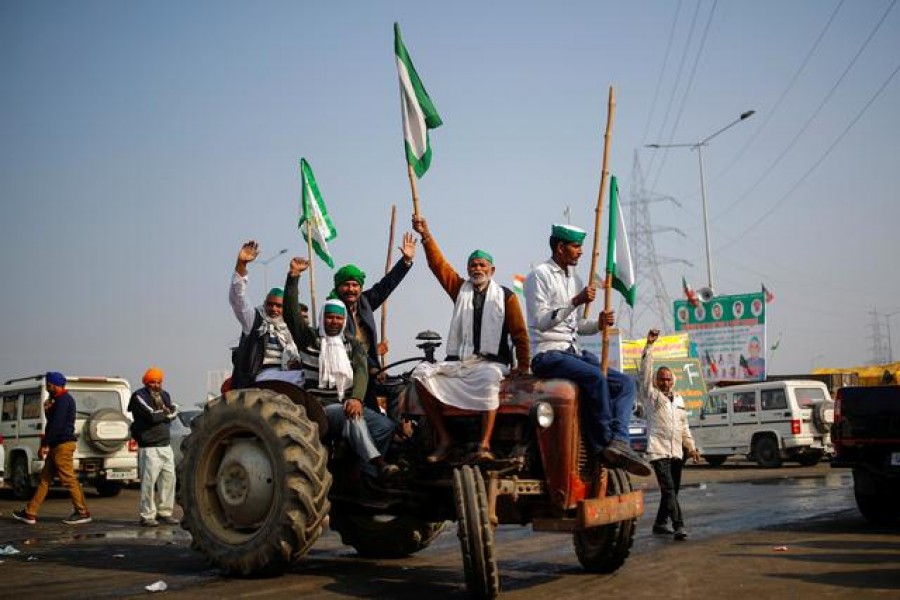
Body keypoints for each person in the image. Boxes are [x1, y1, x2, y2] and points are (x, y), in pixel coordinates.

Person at [523, 223, 651, 477]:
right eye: (576, 246)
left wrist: (598, 324)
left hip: (572, 352)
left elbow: (578, 326)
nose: (581, 252)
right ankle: (602, 445)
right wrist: (575, 301)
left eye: (581, 246)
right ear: (560, 248)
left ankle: (619, 441)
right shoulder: (539, 275)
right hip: (548, 354)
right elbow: (540, 320)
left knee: (625, 384)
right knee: (596, 377)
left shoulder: (577, 279)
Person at [410, 215, 530, 463]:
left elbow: (520, 335)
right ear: (468, 269)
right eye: (473, 265)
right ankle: (445, 438)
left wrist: (524, 366)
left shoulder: (506, 297)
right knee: (420, 374)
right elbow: (438, 266)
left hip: (490, 364)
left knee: (488, 379)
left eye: (482, 265)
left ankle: (484, 445)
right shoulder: (459, 289)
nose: (477, 269)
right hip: (460, 363)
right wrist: (426, 235)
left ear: (492, 270)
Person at [283, 265, 398, 481]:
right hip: (320, 407)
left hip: (348, 403)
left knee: (386, 426)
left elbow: (362, 373)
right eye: (329, 317)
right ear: (322, 318)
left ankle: (366, 476)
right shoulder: (309, 339)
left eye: (338, 318)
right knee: (352, 417)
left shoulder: (352, 345)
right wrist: (293, 278)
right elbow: (291, 314)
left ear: (344, 320)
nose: (334, 322)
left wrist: (356, 398)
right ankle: (379, 464)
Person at [331, 231, 417, 410]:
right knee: (372, 411)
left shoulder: (364, 302)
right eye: (346, 285)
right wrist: (373, 367)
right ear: (338, 287)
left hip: (372, 371)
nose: (351, 289)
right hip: (348, 374)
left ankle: (398, 432)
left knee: (402, 388)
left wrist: (405, 262)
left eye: (355, 285)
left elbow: (386, 285)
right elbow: (350, 346)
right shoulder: (332, 312)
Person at [639, 329, 701, 541]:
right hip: (658, 451)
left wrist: (691, 448)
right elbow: (644, 375)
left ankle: (659, 524)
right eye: (661, 379)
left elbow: (684, 428)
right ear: (656, 382)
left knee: (673, 491)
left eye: (667, 379)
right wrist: (649, 346)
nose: (665, 382)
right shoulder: (653, 397)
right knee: (669, 490)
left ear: (672, 381)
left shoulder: (679, 400)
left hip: (677, 452)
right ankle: (679, 525)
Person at [13, 372, 92, 525]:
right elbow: (53, 422)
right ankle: (30, 512)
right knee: (44, 479)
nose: (47, 387)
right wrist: (48, 411)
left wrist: (44, 444)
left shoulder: (63, 400)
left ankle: (82, 512)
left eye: (49, 384)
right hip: (57, 444)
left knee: (68, 479)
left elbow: (56, 425)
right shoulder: (57, 400)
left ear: (54, 385)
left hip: (63, 445)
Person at [229, 240, 303, 389]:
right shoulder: (254, 320)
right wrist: (241, 265)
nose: (274, 309)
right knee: (302, 378)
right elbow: (238, 298)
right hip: (260, 376)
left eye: (279, 306)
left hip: (287, 373)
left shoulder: (290, 327)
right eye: (270, 304)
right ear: (265, 303)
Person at [128, 367, 179, 527]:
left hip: (165, 444)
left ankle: (165, 512)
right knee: (149, 483)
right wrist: (166, 413)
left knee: (169, 480)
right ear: (146, 382)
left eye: (158, 382)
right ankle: (147, 515)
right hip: (149, 447)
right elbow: (151, 416)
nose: (155, 385)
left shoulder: (164, 395)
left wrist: (165, 413)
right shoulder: (139, 396)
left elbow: (172, 412)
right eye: (152, 382)